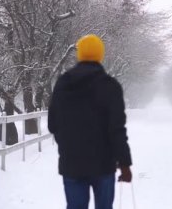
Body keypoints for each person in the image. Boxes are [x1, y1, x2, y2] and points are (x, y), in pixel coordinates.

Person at [48, 34, 132, 209]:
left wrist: (68, 146)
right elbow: (117, 129)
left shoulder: (63, 84)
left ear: (79, 54)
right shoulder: (110, 86)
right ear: (100, 54)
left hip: (71, 163)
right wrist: (124, 163)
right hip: (104, 164)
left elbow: (53, 124)